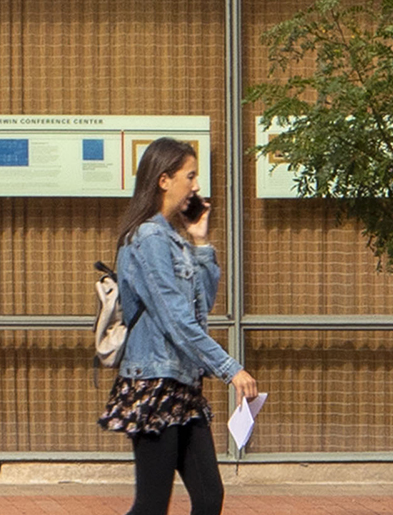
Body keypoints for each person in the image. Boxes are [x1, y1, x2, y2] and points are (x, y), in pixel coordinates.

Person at [98, 138, 260, 515]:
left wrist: (201, 242)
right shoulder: (148, 238)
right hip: (153, 383)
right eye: (190, 176)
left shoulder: (173, 239)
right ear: (164, 180)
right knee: (152, 505)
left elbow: (201, 305)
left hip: (183, 386)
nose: (196, 186)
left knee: (208, 498)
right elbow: (176, 320)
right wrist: (231, 369)